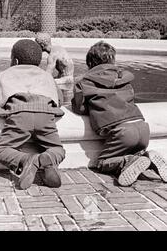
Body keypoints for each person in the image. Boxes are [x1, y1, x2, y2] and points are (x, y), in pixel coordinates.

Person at [71, 41, 167, 186]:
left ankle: (127, 162)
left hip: (122, 132)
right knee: (133, 153)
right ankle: (146, 156)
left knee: (102, 163)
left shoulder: (85, 82)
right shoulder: (124, 79)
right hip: (142, 128)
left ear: (89, 63)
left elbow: (79, 108)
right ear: (113, 60)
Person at [0, 39, 65, 190]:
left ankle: (26, 160)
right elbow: (59, 99)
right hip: (45, 116)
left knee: (1, 150)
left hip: (19, 115)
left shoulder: (5, 74)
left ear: (15, 60)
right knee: (58, 149)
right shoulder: (46, 75)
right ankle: (50, 158)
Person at [35, 33, 74, 104]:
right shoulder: (58, 48)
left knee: (42, 84)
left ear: (42, 45)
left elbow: (47, 76)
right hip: (66, 77)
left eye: (37, 45)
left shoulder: (52, 55)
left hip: (67, 80)